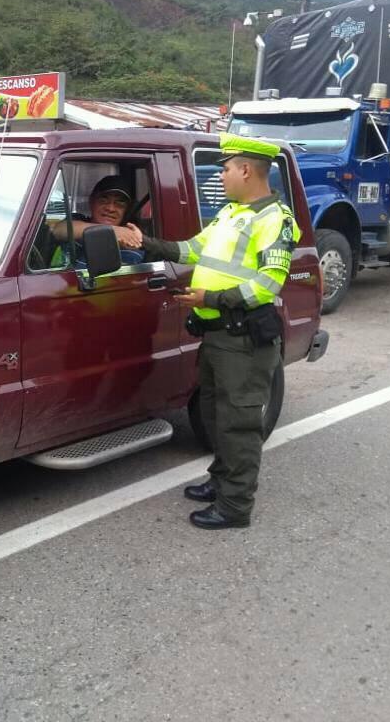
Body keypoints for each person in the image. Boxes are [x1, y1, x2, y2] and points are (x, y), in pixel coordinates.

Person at [137, 133, 301, 529]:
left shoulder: (276, 220)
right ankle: (221, 480)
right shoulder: (231, 213)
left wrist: (210, 299)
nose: (221, 176)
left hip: (243, 339)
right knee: (214, 416)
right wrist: (146, 242)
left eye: (225, 169)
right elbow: (193, 249)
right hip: (218, 337)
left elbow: (266, 286)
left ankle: (235, 506)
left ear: (246, 169)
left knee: (239, 423)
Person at [49, 175, 144, 266]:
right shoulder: (77, 219)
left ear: (126, 210)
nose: (111, 208)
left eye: (119, 204)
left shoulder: (129, 248)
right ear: (91, 202)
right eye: (104, 200)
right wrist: (112, 231)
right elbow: (57, 230)